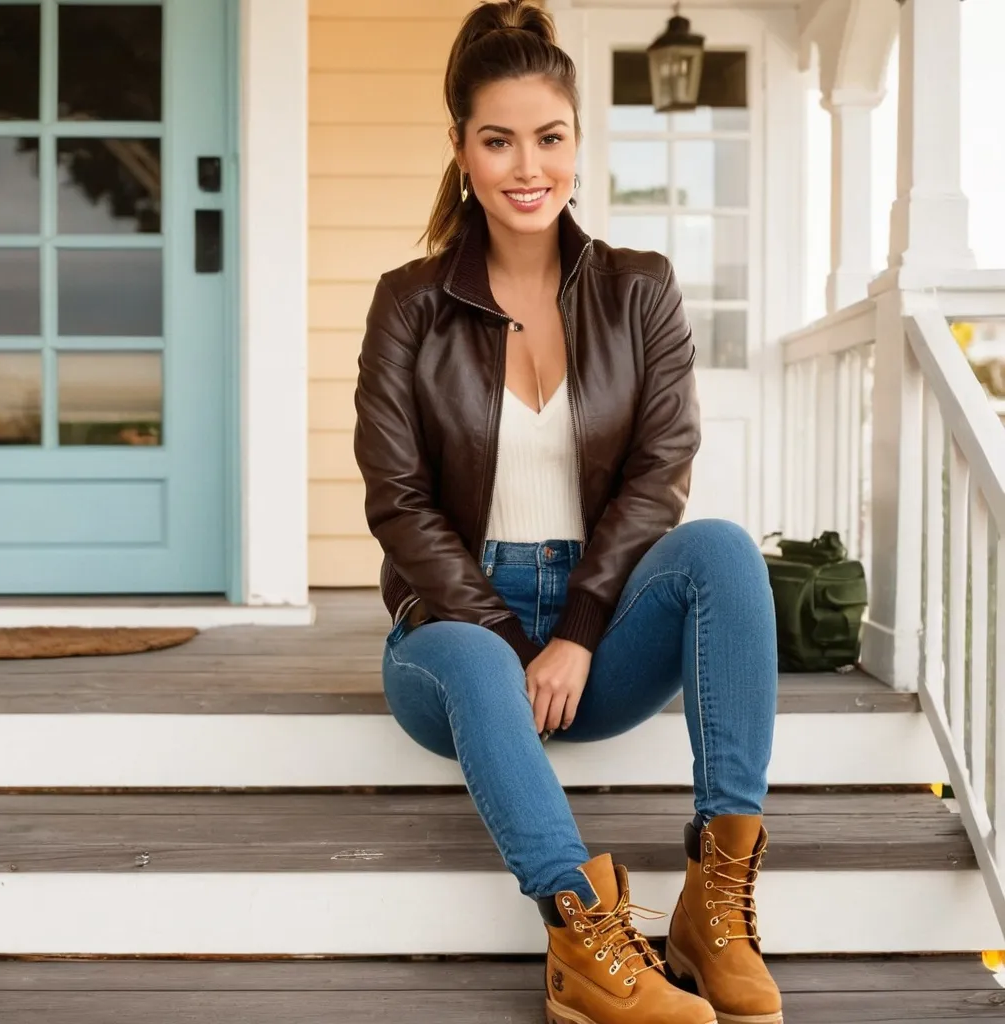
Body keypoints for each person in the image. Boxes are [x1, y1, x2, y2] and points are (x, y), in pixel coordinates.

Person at [353, 3, 781, 1022]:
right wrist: (506, 635)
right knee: (465, 652)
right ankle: (583, 929)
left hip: (597, 626)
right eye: (497, 140)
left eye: (548, 138)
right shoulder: (407, 303)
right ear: (460, 151)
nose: (526, 166)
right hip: (452, 627)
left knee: (720, 548)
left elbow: (660, 466)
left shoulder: (641, 291)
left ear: (578, 144)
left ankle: (710, 903)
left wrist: (581, 629)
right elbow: (398, 501)